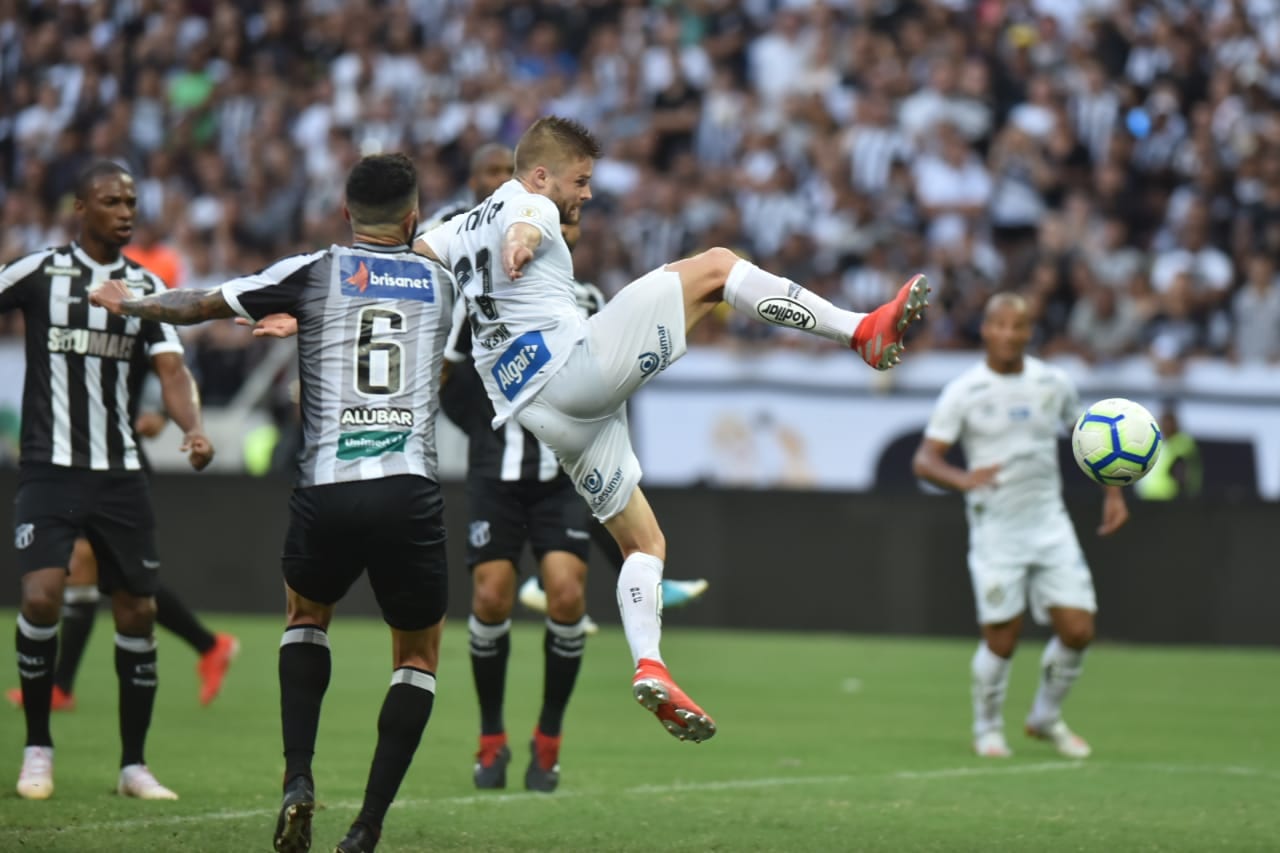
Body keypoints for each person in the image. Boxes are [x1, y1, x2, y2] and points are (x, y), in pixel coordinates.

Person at [415, 116, 929, 743]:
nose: (588, 194)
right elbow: (532, 218)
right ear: (544, 174)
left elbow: (412, 259)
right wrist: (524, 234)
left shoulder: (452, 230)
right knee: (716, 265)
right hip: (570, 371)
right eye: (581, 180)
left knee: (643, 544)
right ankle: (861, 332)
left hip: (542, 416)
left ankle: (651, 666)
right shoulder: (528, 201)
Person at [92, 153, 452, 853]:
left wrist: (128, 301)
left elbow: (197, 304)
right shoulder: (444, 281)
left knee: (305, 615)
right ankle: (368, 826)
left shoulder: (314, 272)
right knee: (417, 654)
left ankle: (297, 777)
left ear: (346, 214)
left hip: (327, 490)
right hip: (409, 489)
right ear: (413, 220)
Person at [1, 160, 214, 801]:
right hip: (49, 467)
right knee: (41, 597)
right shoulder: (39, 272)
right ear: (80, 207)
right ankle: (38, 748)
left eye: (131, 202)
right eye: (111, 201)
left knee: (138, 611)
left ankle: (133, 766)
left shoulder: (145, 286)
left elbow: (173, 371)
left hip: (121, 472)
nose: (125, 212)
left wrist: (192, 428)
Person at [911, 292, 1129, 760]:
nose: (1009, 334)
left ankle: (1045, 718)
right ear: (986, 330)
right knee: (1002, 639)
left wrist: (1113, 492)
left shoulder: (1054, 382)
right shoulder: (964, 391)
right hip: (996, 530)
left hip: (1049, 522)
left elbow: (1092, 440)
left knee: (1078, 631)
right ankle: (987, 728)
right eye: (1000, 325)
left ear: (1030, 332)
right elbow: (925, 460)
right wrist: (963, 478)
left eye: (1018, 326)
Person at [5, 397, 237, 713]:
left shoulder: (136, 347)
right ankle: (208, 646)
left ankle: (61, 686)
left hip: (116, 466)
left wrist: (161, 413)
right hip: (76, 460)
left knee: (97, 565)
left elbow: (173, 370)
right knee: (100, 569)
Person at [1134, 402, 1202, 500]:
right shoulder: (1160, 443)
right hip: (1149, 496)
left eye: (1168, 422)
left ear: (1175, 423)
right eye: (1163, 421)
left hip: (1167, 498)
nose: (1165, 425)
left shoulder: (1182, 444)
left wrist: (1183, 496)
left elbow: (1181, 472)